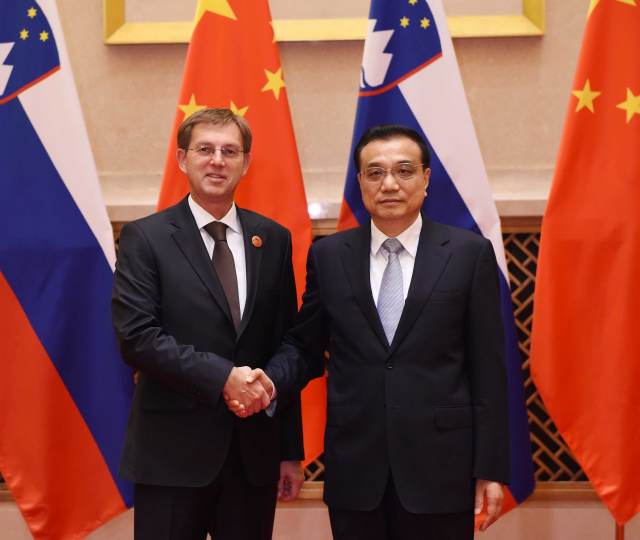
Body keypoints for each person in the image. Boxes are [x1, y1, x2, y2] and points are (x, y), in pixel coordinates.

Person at [238, 124, 510, 539]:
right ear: (361, 182)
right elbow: (304, 346)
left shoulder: (467, 254)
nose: (390, 184)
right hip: (356, 470)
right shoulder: (329, 256)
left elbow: (488, 369)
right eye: (376, 172)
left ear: (425, 179)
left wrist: (489, 468)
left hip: (442, 469)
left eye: (404, 171)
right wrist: (268, 380)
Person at [112, 108, 304, 540]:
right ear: (183, 159)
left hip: (252, 457)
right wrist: (224, 378)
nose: (217, 160)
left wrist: (289, 451)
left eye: (230, 151)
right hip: (171, 456)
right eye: (205, 149)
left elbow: (287, 342)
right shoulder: (146, 238)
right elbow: (137, 337)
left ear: (246, 163)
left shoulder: (273, 239)